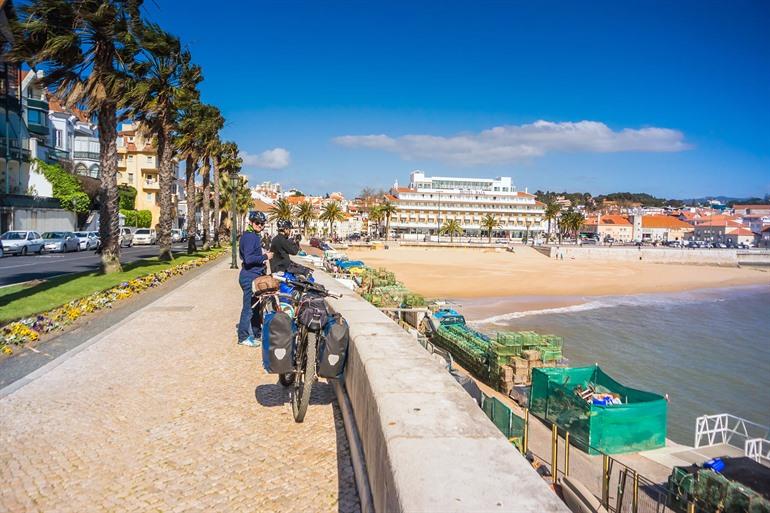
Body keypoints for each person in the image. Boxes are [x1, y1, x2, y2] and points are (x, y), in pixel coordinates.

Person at [237, 211, 273, 347]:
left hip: (254, 275)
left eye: (262, 223)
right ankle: (243, 337)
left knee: (256, 306)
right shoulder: (250, 237)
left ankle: (257, 333)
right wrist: (265, 257)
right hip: (249, 277)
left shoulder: (252, 236)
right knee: (248, 308)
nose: (260, 225)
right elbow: (249, 259)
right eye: (257, 223)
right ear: (251, 223)